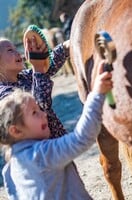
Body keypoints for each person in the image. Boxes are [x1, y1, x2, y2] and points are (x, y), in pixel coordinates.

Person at [0, 61, 113, 199]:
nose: (44, 114)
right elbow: (80, 139)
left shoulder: (10, 170)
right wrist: (97, 94)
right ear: (16, 131)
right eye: (35, 113)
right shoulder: (41, 154)